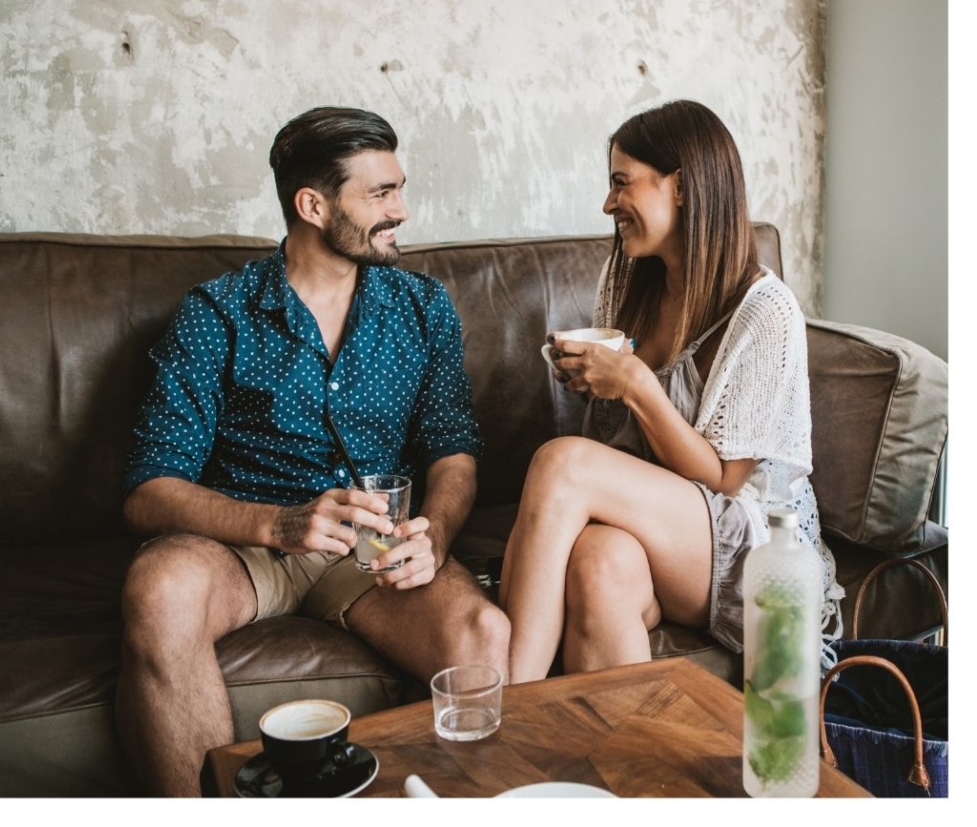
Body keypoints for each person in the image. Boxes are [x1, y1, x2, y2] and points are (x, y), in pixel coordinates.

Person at [115, 106, 509, 795]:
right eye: (380, 194)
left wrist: (437, 534)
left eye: (399, 188)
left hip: (369, 548)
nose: (402, 210)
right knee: (160, 589)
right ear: (313, 205)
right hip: (243, 544)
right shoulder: (218, 314)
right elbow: (150, 489)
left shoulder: (423, 306)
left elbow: (453, 449)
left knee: (480, 630)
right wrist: (277, 524)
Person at [499, 99, 842, 683]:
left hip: (753, 546)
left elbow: (728, 479)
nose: (609, 204)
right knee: (598, 563)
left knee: (562, 463)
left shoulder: (765, 310)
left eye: (621, 182)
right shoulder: (626, 279)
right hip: (657, 528)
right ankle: (621, 769)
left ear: (680, 186)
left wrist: (633, 382)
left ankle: (506, 709)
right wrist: (593, 380)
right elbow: (629, 447)